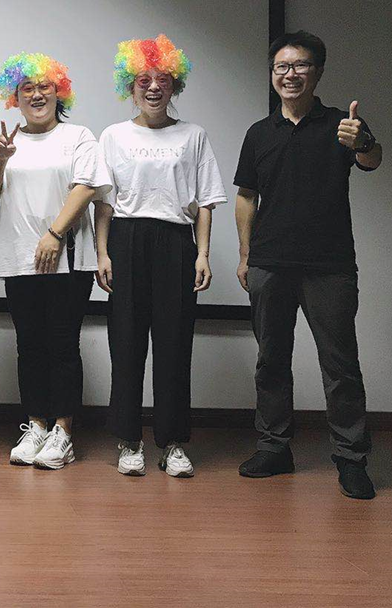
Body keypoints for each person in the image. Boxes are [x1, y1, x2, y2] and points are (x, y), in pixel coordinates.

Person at [234, 30, 383, 500]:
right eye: (281, 67)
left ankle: (351, 460)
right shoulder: (259, 133)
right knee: (271, 361)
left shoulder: (342, 125)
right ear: (272, 74)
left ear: (317, 72)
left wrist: (364, 140)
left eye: (299, 65)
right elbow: (246, 197)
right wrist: (245, 255)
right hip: (269, 263)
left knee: (340, 366)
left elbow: (372, 161)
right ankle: (274, 448)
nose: (290, 74)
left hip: (329, 266)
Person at [95, 35, 227, 478]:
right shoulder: (113, 136)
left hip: (175, 242)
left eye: (163, 80)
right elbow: (104, 203)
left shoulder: (193, 135)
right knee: (126, 343)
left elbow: (205, 202)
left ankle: (172, 443)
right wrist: (102, 253)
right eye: (143, 80)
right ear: (129, 86)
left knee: (174, 345)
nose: (153, 87)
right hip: (126, 240)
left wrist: (202, 254)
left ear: (175, 86)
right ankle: (129, 440)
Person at [0, 53, 109, 469]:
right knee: (29, 345)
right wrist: (0, 158)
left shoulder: (78, 136)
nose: (36, 95)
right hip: (20, 260)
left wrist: (54, 234)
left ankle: (63, 432)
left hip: (68, 259)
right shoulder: (7, 143)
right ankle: (35, 425)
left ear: (58, 92)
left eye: (44, 87)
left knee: (63, 344)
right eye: (26, 88)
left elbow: (86, 187)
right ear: (14, 97)